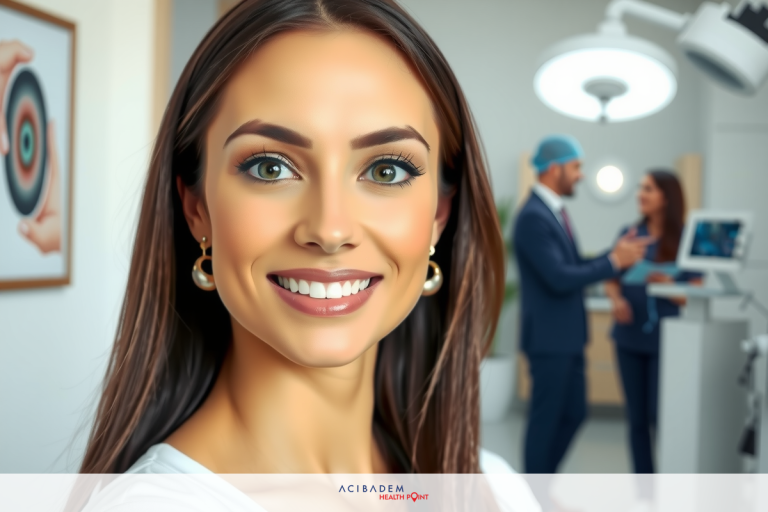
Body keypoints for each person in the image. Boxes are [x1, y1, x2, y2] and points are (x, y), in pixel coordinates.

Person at [73, 2, 542, 509]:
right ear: (197, 209)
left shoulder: (494, 487)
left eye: (386, 170)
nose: (330, 229)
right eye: (270, 168)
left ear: (438, 216)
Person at [514, 135, 651, 474]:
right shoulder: (533, 217)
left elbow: (573, 266)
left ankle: (542, 489)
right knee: (545, 422)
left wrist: (613, 252)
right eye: (576, 167)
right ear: (554, 168)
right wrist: (614, 263)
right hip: (550, 339)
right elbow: (560, 278)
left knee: (575, 412)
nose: (581, 175)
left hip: (567, 339)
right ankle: (531, 498)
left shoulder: (555, 213)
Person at [605, 170, 702, 474]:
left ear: (667, 197)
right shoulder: (629, 235)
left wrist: (666, 284)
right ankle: (644, 490)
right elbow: (610, 276)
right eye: (640, 188)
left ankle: (668, 484)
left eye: (648, 189)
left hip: (667, 342)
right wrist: (616, 299)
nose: (640, 194)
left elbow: (695, 293)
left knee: (662, 416)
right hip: (628, 339)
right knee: (637, 420)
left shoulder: (686, 239)